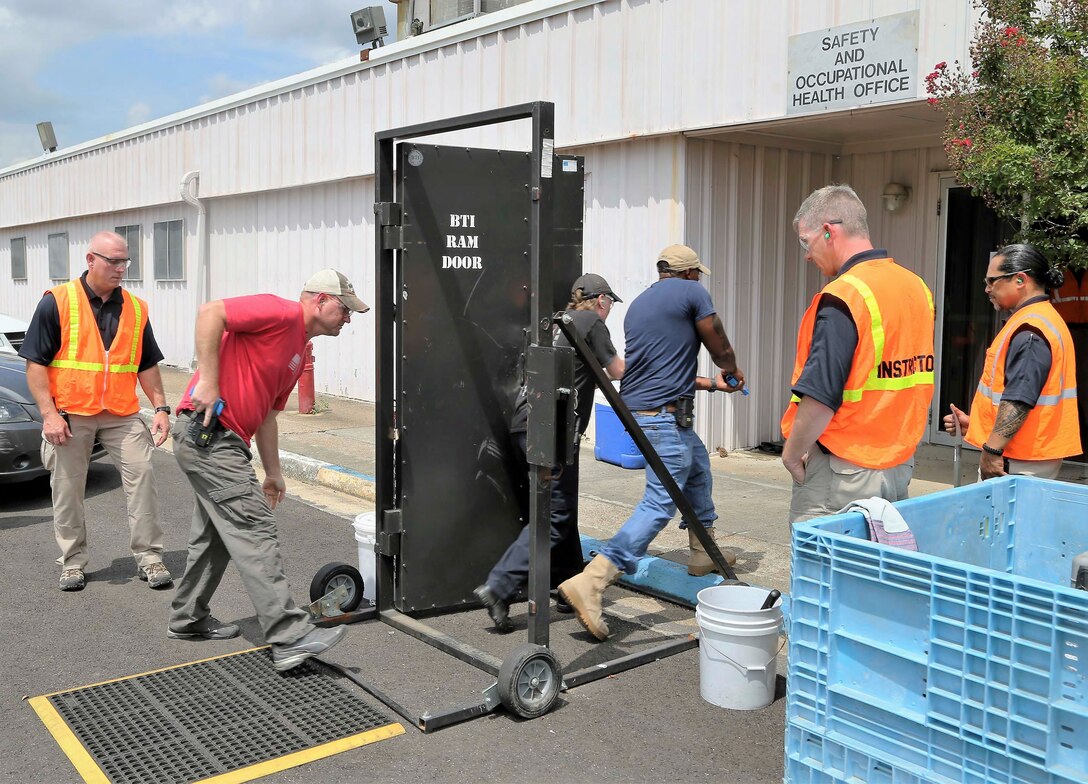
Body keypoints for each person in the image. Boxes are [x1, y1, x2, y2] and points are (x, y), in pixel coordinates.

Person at [166, 269, 368, 672]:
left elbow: (269, 418)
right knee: (254, 528)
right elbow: (210, 313)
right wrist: (208, 379)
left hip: (228, 442)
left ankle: (187, 618)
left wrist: (274, 473)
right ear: (320, 300)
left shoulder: (299, 353)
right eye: (345, 310)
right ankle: (289, 635)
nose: (349, 319)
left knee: (216, 537)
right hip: (209, 432)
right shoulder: (280, 313)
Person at [558, 245, 745, 641]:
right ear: (689, 272)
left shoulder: (642, 304)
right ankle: (594, 578)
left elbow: (657, 368)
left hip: (648, 413)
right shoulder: (692, 293)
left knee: (697, 468)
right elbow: (717, 339)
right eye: (697, 273)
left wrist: (712, 384)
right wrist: (730, 368)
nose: (699, 279)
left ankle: (701, 549)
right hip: (663, 415)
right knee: (661, 500)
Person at [20, 231, 173, 592]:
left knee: (143, 477)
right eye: (113, 261)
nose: (121, 268)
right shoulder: (57, 302)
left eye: (125, 261)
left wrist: (162, 408)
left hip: (121, 413)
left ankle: (150, 558)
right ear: (91, 260)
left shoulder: (136, 308)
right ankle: (72, 562)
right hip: (71, 414)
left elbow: (146, 363)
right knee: (68, 488)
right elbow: (35, 363)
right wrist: (49, 414)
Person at [474, 273, 626, 633]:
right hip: (553, 433)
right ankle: (499, 585)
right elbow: (618, 370)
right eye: (610, 303)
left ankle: (567, 583)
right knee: (553, 518)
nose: (609, 310)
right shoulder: (591, 321)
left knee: (562, 513)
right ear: (601, 300)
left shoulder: (560, 320)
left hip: (526, 424)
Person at [781, 184, 935, 523]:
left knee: (824, 570)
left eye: (805, 241)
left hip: (843, 468)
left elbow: (820, 395)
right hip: (897, 463)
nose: (807, 254)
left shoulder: (844, 295)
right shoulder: (916, 288)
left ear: (828, 231)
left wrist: (792, 454)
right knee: (876, 568)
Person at [943, 244, 1081, 479]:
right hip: (1024, 456)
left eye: (992, 281)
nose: (987, 289)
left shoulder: (1030, 330)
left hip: (1017, 460)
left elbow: (1019, 399)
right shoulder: (1039, 319)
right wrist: (977, 424)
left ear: (1020, 280)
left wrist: (992, 449)